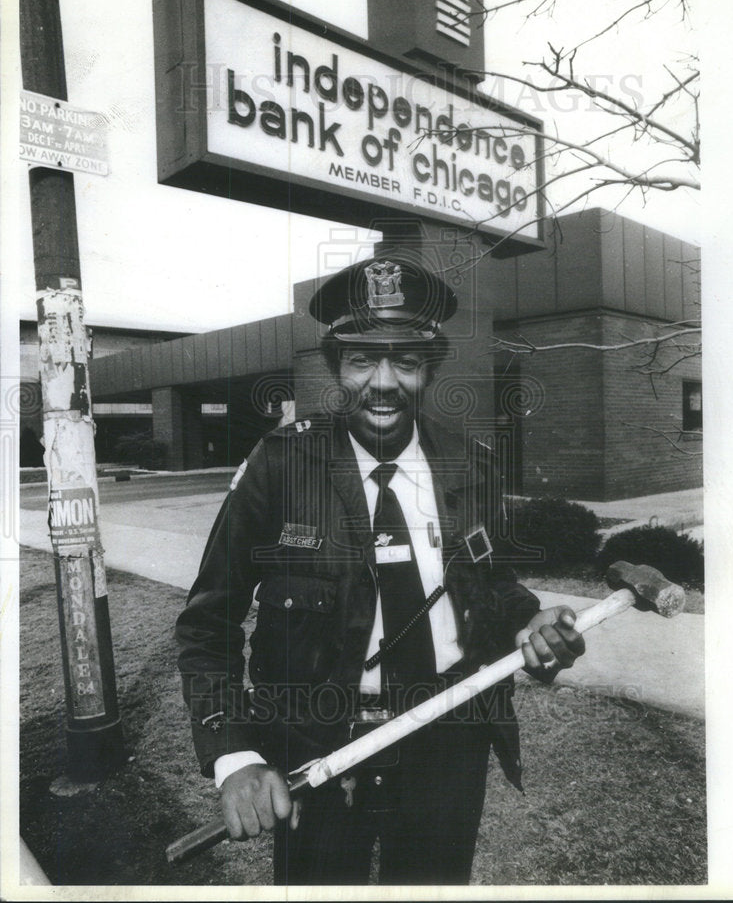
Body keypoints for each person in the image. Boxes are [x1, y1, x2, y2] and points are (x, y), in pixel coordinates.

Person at [175, 252, 585, 885]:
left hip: (448, 742)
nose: (385, 381)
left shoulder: (468, 464)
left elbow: (492, 583)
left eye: (407, 361)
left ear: (429, 370)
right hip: (316, 742)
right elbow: (208, 627)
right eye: (364, 359)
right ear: (338, 367)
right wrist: (233, 752)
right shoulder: (282, 467)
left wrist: (533, 621)